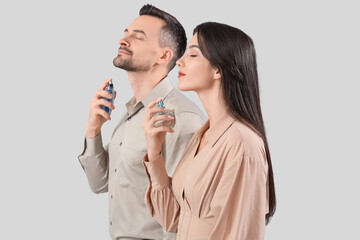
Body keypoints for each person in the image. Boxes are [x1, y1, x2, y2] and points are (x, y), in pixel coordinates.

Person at [78, 5, 205, 240]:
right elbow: (99, 183)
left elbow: (183, 216)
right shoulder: (130, 115)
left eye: (137, 37)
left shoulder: (181, 118)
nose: (123, 39)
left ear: (164, 56)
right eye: (126, 32)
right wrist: (93, 129)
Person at [142, 22, 276, 239]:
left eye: (193, 55)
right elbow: (173, 218)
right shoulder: (201, 137)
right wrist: (155, 151)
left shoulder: (241, 143)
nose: (179, 61)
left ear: (218, 69)